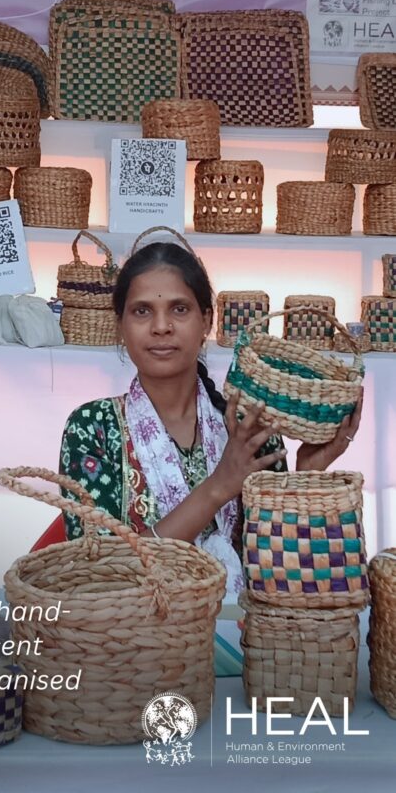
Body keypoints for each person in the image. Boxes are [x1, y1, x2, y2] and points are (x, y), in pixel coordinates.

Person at [59, 235, 362, 591]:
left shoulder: (251, 431)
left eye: (179, 309)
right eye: (142, 311)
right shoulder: (93, 428)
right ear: (121, 325)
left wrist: (307, 475)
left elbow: (283, 569)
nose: (161, 327)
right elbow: (96, 572)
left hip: (242, 638)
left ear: (206, 322)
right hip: (130, 637)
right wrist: (218, 487)